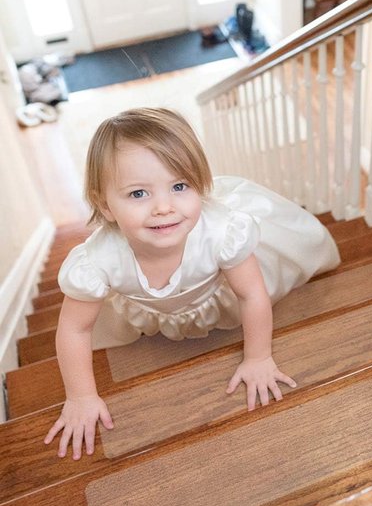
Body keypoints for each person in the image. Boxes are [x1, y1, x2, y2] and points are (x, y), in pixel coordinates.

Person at [44, 107, 340, 460]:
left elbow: (250, 293)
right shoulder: (98, 261)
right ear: (104, 205)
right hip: (152, 309)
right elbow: (74, 329)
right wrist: (81, 396)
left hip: (217, 298)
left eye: (180, 186)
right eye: (139, 194)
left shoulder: (220, 232)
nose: (164, 207)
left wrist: (258, 357)